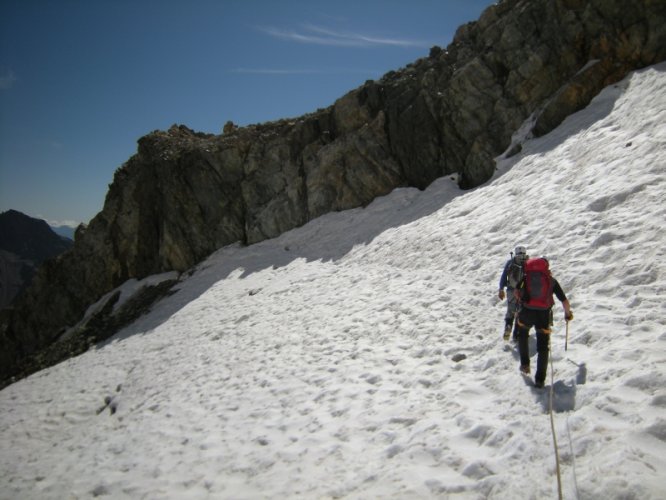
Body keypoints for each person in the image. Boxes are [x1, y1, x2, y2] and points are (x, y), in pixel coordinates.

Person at [513, 257, 573, 388]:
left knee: (523, 335)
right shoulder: (551, 281)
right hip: (543, 315)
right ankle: (540, 380)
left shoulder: (525, 278)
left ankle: (525, 364)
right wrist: (568, 314)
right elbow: (564, 301)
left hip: (526, 312)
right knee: (543, 347)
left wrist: (522, 301)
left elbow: (516, 292)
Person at [498, 245, 529, 341]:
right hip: (523, 291)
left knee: (511, 310)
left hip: (511, 290)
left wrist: (501, 289)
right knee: (521, 312)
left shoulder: (511, 262)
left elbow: (504, 276)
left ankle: (508, 326)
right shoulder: (529, 262)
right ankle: (517, 333)